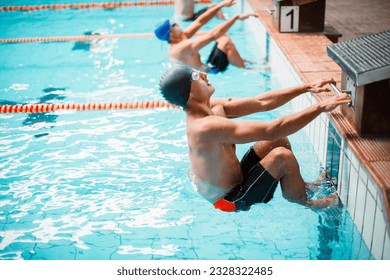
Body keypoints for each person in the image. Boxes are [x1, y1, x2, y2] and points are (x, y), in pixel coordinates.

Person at [159, 64, 352, 212]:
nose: (203, 74)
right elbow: (271, 128)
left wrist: (306, 87)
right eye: (196, 76)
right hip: (228, 200)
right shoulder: (203, 127)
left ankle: (304, 186)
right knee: (281, 156)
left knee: (277, 142)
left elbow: (261, 102)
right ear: (189, 94)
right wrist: (321, 107)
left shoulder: (213, 107)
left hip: (236, 180)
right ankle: (308, 202)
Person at [154, 0, 256, 73]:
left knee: (223, 38)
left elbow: (200, 21)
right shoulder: (180, 48)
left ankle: (243, 62)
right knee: (225, 41)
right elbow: (213, 35)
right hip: (208, 73)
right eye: (174, 25)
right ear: (171, 34)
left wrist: (221, 5)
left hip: (206, 66)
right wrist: (235, 18)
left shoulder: (180, 37)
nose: (177, 24)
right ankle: (248, 70)